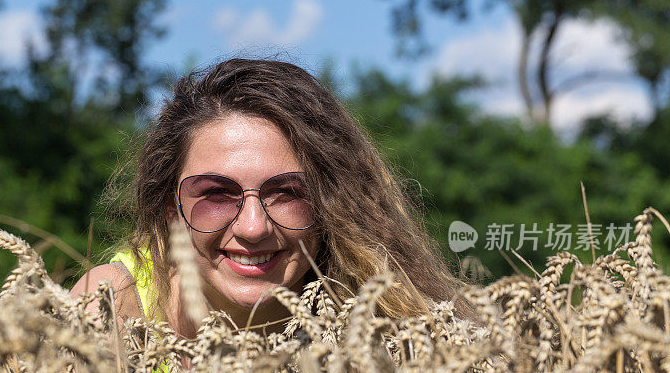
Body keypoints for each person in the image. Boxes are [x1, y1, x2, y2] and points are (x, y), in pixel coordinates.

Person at [71, 58, 468, 340]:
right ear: (169, 209)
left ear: (334, 206)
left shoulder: (387, 335)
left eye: (287, 193)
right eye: (215, 194)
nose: (253, 227)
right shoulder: (111, 306)